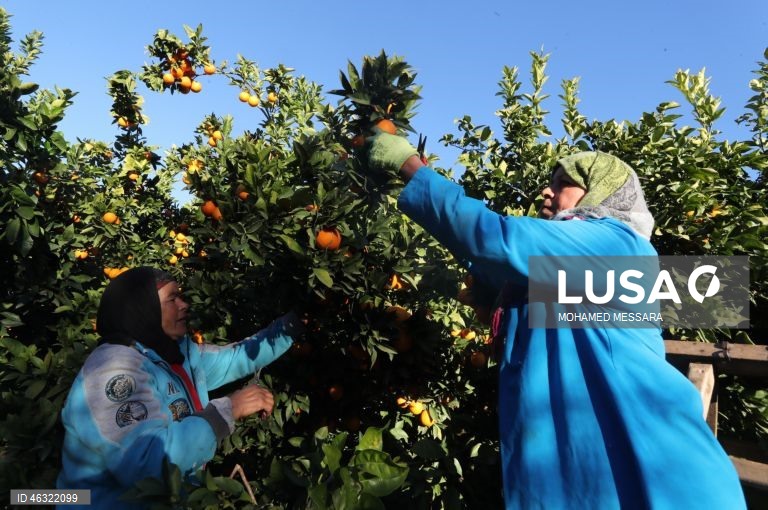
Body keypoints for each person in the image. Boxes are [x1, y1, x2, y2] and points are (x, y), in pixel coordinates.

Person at [366, 135, 746, 508]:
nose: (548, 193)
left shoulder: (616, 244)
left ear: (601, 192)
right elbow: (489, 255)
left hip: (662, 470)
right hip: (591, 472)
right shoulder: (564, 267)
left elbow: (496, 238)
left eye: (563, 184)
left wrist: (411, 167)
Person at [57, 267, 302, 509]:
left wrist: (293, 324)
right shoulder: (113, 370)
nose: (184, 305)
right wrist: (228, 409)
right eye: (172, 299)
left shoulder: (176, 353)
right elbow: (149, 464)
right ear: (143, 309)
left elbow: (237, 359)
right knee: (27, 496)